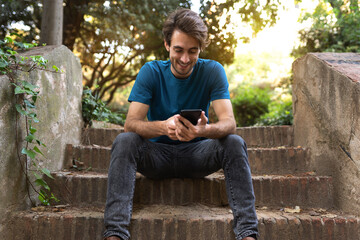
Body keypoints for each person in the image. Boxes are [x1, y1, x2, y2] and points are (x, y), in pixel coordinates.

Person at [103, 8, 258, 240]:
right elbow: (131, 124)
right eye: (178, 50)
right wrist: (163, 127)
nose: (185, 59)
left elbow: (229, 123)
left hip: (197, 155)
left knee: (234, 142)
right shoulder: (150, 72)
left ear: (200, 49)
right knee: (124, 141)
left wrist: (203, 131)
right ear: (167, 45)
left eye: (192, 51)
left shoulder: (213, 71)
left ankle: (247, 233)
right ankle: (115, 233)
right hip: (156, 157)